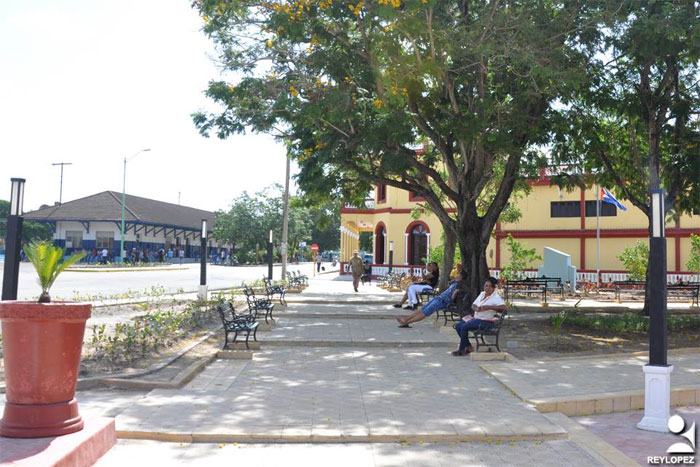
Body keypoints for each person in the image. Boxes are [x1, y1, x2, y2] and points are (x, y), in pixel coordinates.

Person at [452, 277, 507, 356]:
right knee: (458, 326)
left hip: (486, 322)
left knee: (464, 327)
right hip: (476, 318)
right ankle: (468, 346)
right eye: (486, 286)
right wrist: (476, 308)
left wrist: (489, 307)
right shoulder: (482, 294)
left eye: (489, 286)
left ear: (493, 288)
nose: (487, 288)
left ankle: (461, 350)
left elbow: (503, 307)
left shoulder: (496, 297)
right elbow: (473, 305)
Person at [395, 269, 467, 328]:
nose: (456, 274)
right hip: (439, 298)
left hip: (443, 301)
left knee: (425, 312)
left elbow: (452, 298)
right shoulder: (455, 282)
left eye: (458, 273)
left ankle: (407, 321)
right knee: (423, 309)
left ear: (461, 276)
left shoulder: (459, 285)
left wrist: (455, 293)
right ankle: (406, 319)